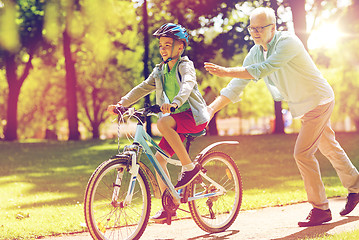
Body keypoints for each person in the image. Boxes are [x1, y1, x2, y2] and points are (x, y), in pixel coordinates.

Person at [204, 7, 359, 227]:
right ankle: (356, 187)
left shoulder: (288, 42)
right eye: (252, 28)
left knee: (303, 153)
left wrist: (227, 70)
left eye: (260, 28)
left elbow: (265, 69)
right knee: (329, 147)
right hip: (305, 106)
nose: (255, 32)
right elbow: (236, 86)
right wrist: (211, 109)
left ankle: (320, 209)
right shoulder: (256, 51)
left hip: (318, 100)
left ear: (273, 28)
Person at [107, 23, 209, 223]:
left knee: (162, 124)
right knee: (159, 159)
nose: (163, 49)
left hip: (193, 117)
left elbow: (188, 84)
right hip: (175, 121)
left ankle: (190, 168)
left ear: (180, 47)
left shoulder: (185, 65)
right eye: (161, 45)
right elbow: (144, 87)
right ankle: (169, 204)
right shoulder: (160, 71)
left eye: (168, 44)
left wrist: (175, 103)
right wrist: (122, 103)